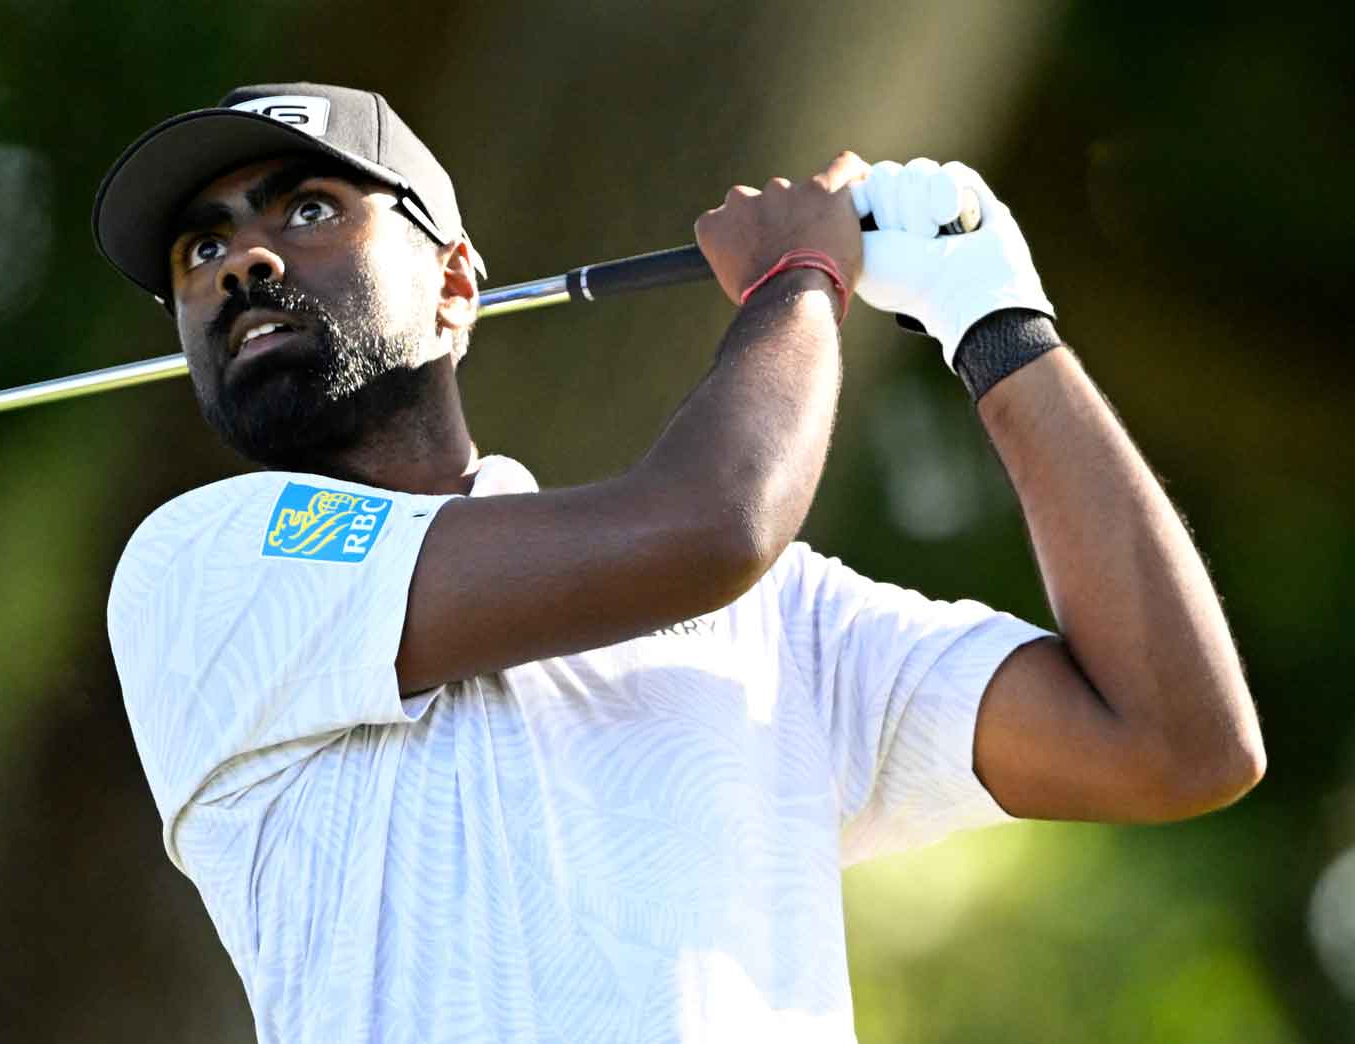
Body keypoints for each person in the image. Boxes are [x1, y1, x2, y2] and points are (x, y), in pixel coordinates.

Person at [94, 83, 1265, 1042]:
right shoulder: (200, 568)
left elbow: (1174, 744)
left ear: (457, 285)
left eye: (303, 209)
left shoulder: (783, 621)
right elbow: (712, 525)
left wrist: (999, 326)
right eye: (204, 246)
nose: (242, 261)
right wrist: (795, 279)